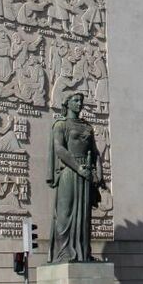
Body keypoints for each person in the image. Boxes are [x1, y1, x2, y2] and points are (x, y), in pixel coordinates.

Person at [46, 93, 103, 263]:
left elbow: (95, 152)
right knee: (65, 213)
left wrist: (98, 174)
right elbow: (59, 149)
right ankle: (63, 253)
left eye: (81, 101)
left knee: (84, 216)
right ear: (67, 103)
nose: (79, 104)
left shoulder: (87, 127)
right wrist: (78, 168)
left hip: (86, 171)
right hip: (69, 171)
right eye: (76, 100)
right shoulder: (60, 124)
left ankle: (83, 253)